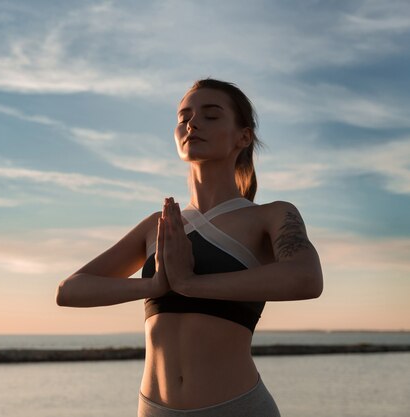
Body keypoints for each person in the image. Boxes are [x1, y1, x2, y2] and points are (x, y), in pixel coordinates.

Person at [56, 78, 323, 417]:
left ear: (243, 136)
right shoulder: (159, 224)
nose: (192, 123)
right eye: (183, 117)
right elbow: (69, 290)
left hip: (235, 408)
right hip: (153, 409)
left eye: (211, 116)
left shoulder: (271, 216)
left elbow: (306, 278)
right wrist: (154, 285)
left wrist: (190, 284)